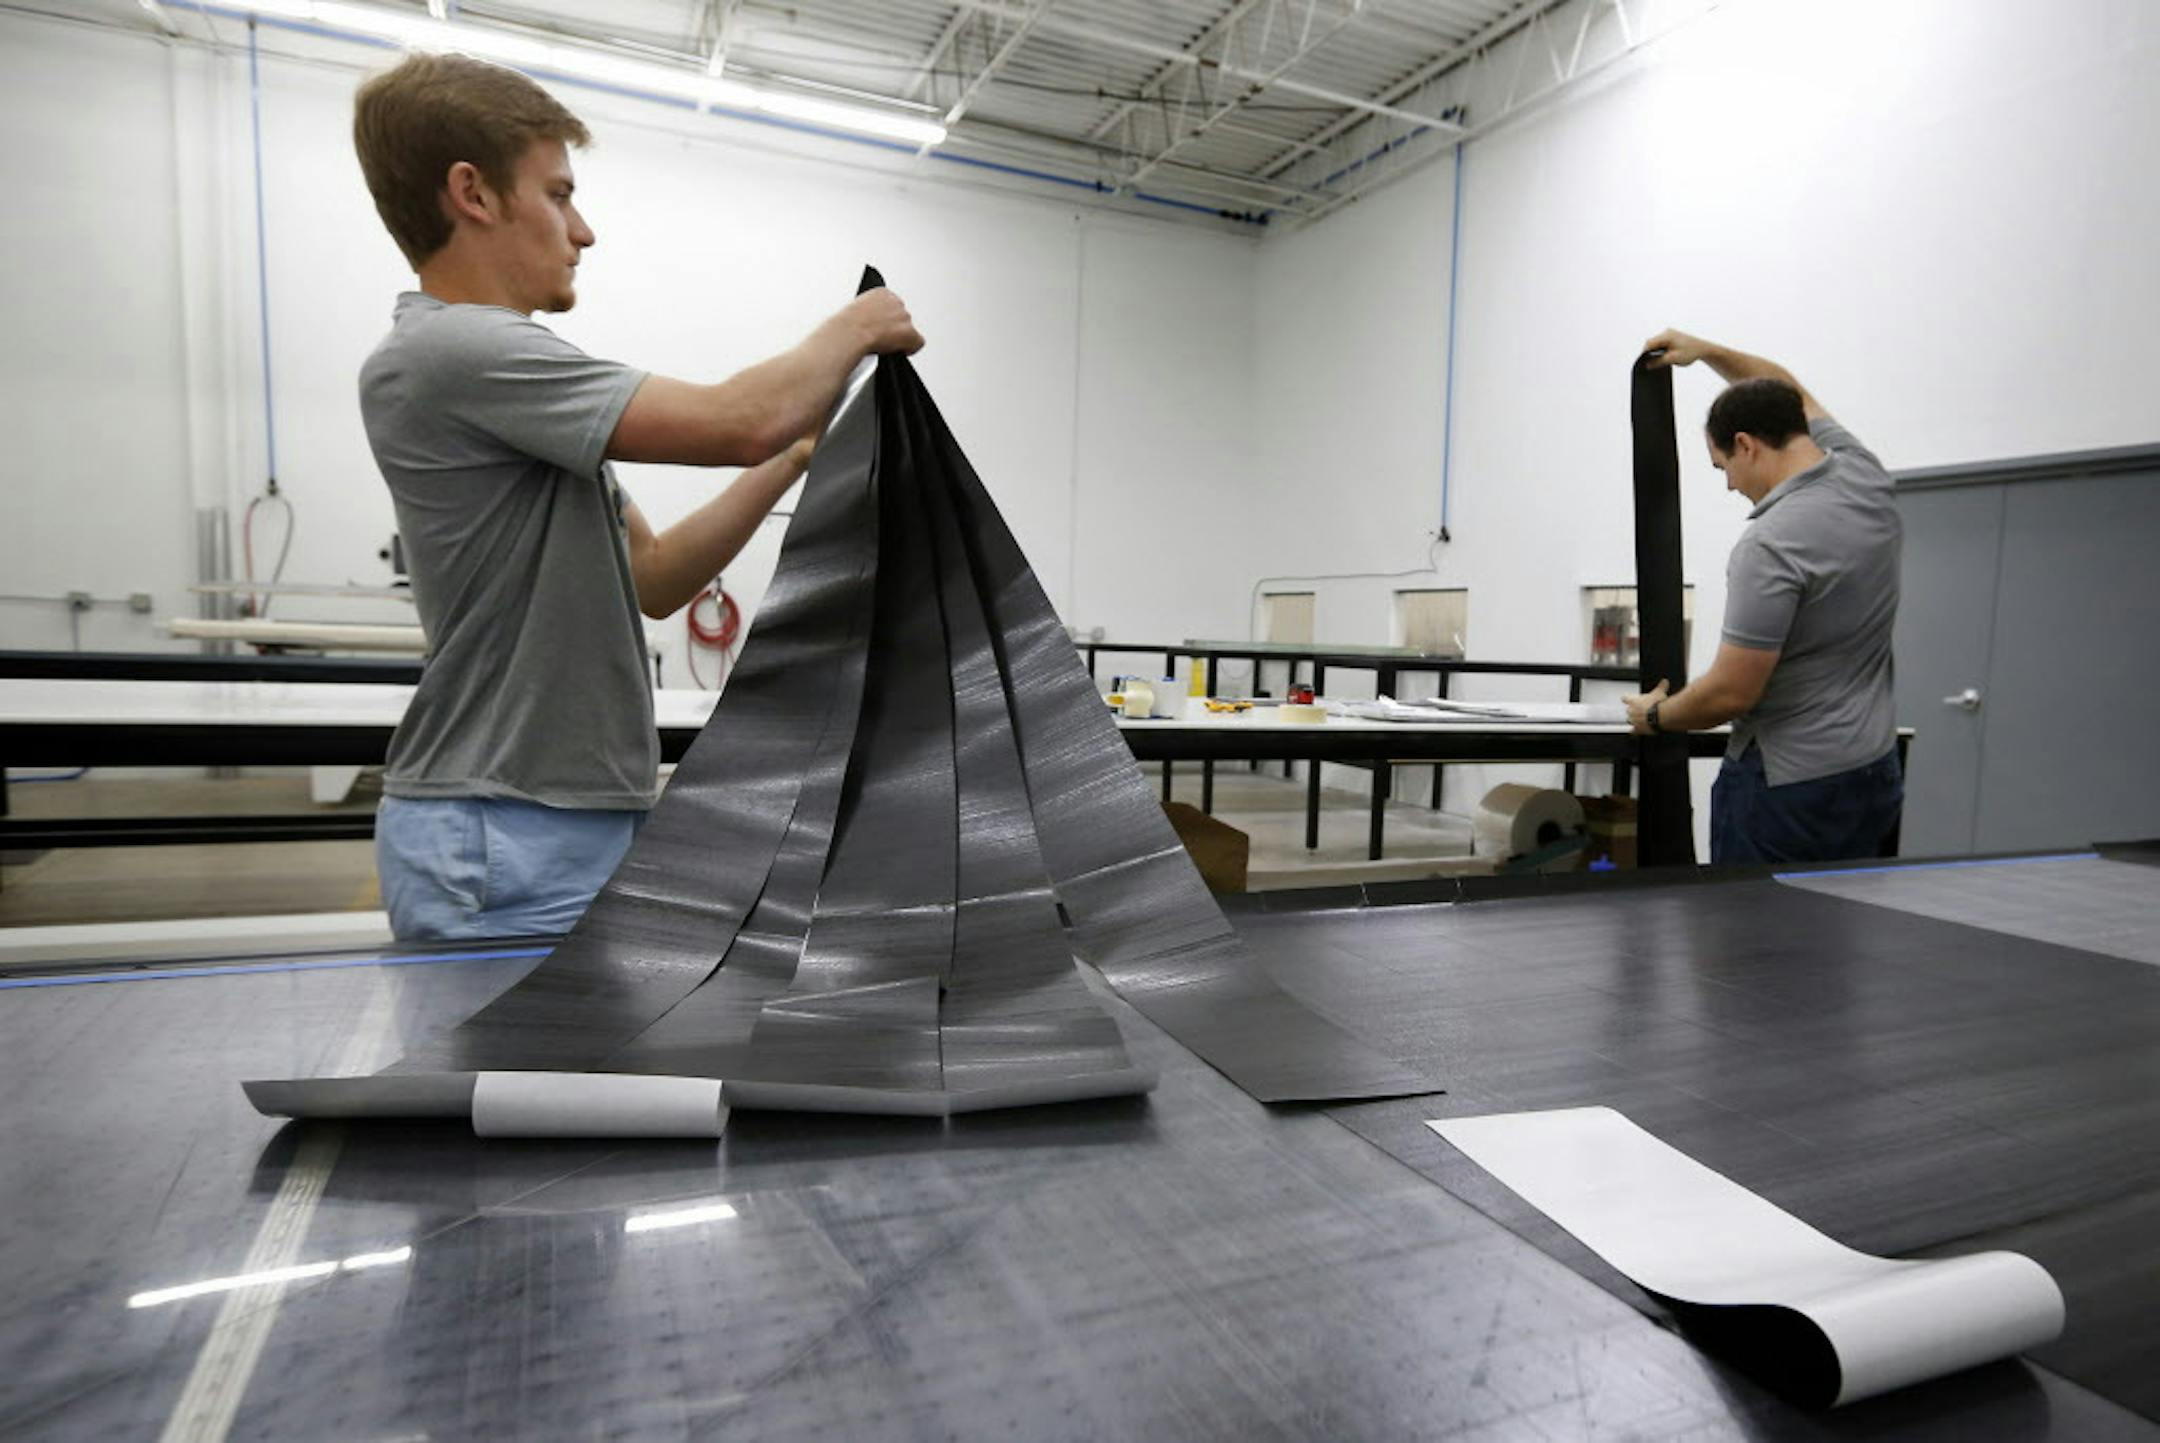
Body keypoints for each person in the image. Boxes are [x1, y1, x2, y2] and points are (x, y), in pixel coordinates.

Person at [351, 53, 923, 939]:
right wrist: (858, 324)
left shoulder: (509, 384)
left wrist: (796, 452)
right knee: (529, 1072)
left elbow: (654, 576)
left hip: (558, 814)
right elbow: (740, 417)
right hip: (502, 824)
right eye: (558, 194)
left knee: (576, 1071)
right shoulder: (453, 352)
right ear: (474, 194)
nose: (583, 231)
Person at [1624, 331, 1903, 864]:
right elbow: (1786, 389)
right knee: (1845, 937)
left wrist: (1654, 717)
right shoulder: (1864, 476)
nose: (1729, 484)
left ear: (1747, 444)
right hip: (1872, 771)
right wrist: (1705, 352)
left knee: (1750, 945)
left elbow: (1731, 694)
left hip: (1788, 788)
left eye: (1722, 466)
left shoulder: (1771, 543)